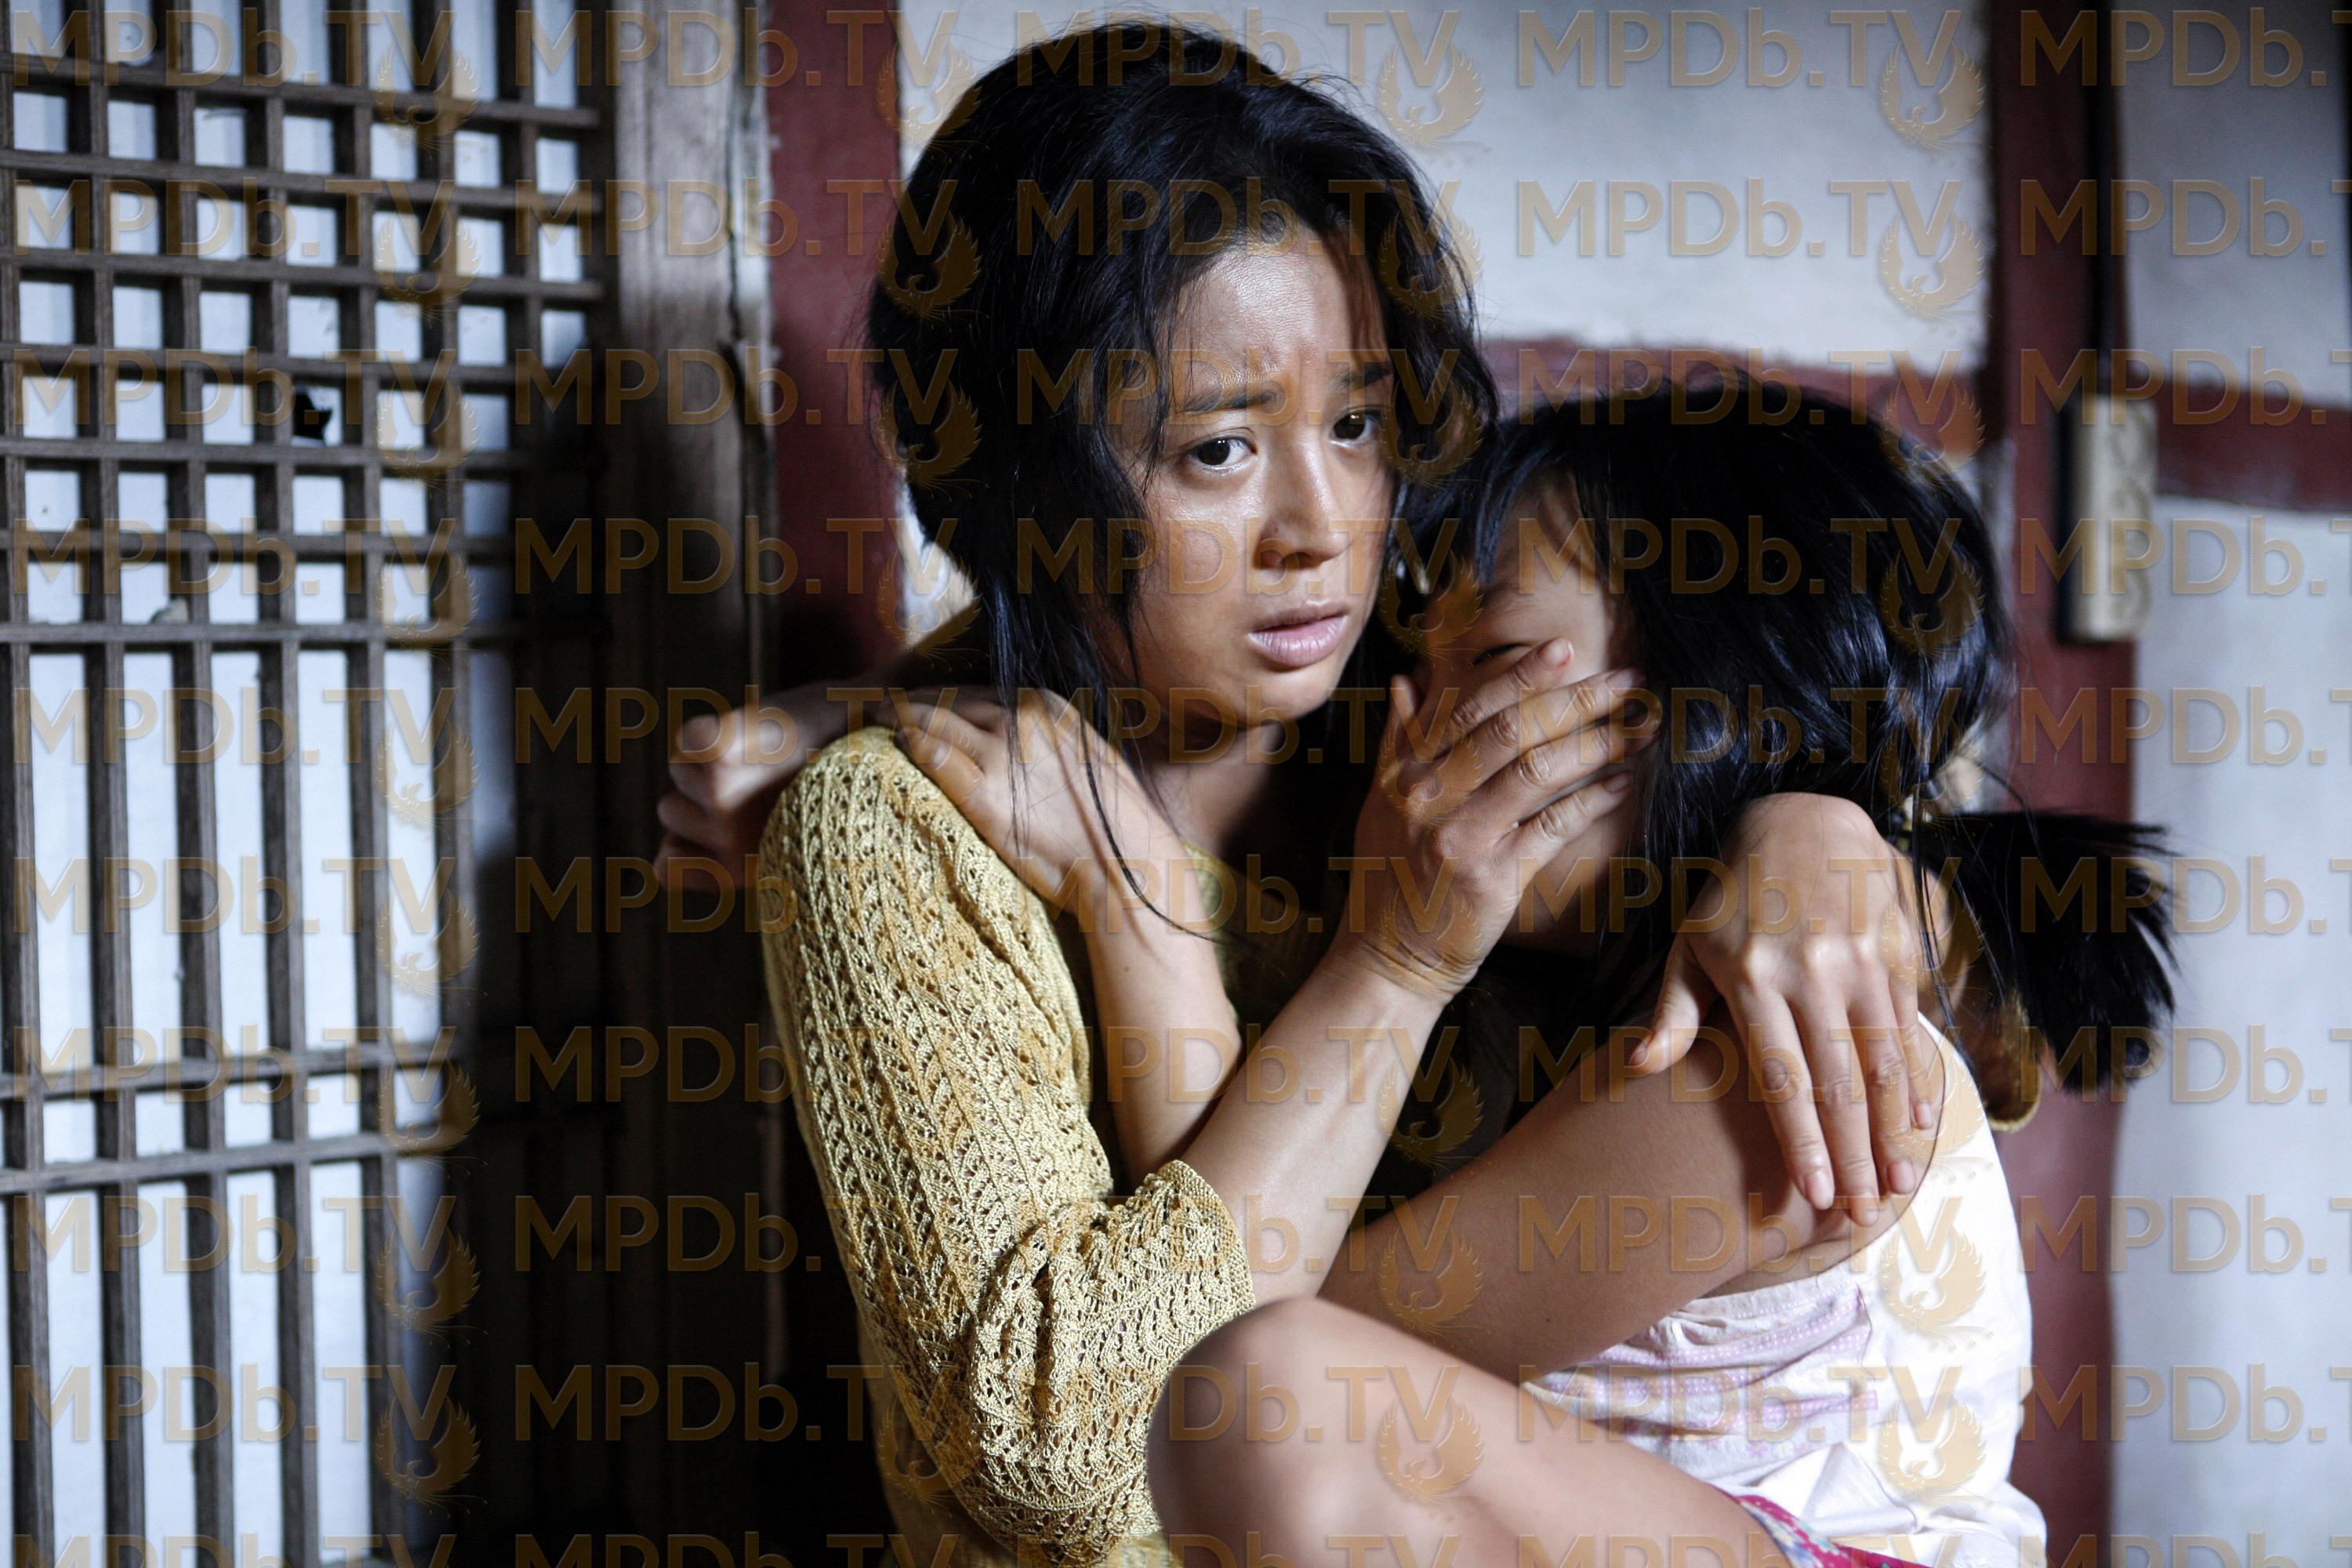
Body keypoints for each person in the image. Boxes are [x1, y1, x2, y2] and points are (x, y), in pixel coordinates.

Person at [728, 23, 1945, 1567]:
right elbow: (1080, 1473)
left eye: (1357, 423)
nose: (1322, 526)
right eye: (1219, 449)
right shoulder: (897, 837)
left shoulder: (1421, 692)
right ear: (1031, 483)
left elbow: (1983, 1025)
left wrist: (1826, 835)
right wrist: (1388, 965)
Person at [1108, 382, 2174, 1568]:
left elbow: (1191, 1354)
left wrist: (1139, 904)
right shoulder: (1566, 1021)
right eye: (1415, 667)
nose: (1412, 728)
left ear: (1721, 682)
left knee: (1274, 1394)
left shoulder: (1751, 1064)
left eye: (1494, 655)